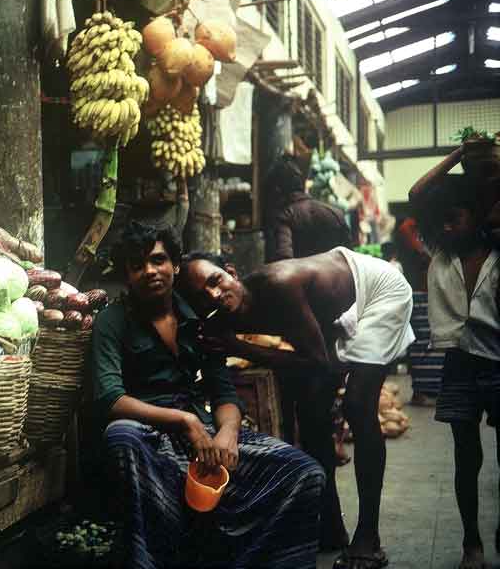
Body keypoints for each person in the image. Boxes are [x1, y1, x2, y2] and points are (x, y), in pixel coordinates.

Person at [89, 221, 325, 569]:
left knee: (305, 474)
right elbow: (110, 399)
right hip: (149, 435)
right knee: (119, 435)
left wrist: (228, 433)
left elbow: (223, 390)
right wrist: (183, 421)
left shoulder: (198, 320)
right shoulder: (112, 321)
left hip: (206, 434)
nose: (150, 271)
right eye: (137, 266)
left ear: (175, 265)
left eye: (158, 260)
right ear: (127, 275)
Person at [177, 246, 415, 569]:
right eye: (203, 295)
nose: (215, 294)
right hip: (333, 310)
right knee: (312, 411)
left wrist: (238, 346)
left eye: (216, 280)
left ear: (232, 272)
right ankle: (331, 527)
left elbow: (316, 362)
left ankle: (367, 537)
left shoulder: (279, 284)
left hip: (377, 289)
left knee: (358, 405)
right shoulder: (224, 314)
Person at [410, 169, 500, 569]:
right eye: (441, 220)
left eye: (455, 218)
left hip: (498, 364)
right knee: (467, 459)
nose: (446, 227)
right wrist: (464, 155)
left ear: (478, 215)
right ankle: (472, 544)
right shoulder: (440, 255)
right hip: (459, 367)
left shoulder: (498, 253)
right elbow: (417, 193)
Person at [264, 154, 353, 466]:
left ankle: (310, 467)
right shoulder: (334, 213)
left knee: (301, 403)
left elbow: (284, 262)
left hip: (301, 320)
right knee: (327, 395)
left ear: (276, 190)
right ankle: (324, 456)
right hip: (337, 316)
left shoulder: (285, 215)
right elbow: (350, 262)